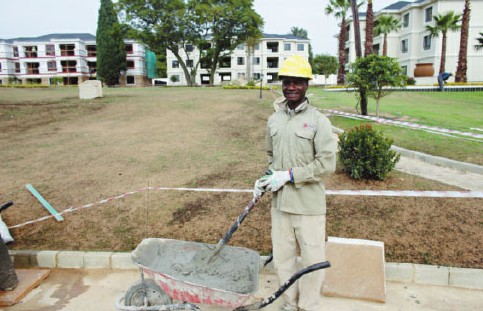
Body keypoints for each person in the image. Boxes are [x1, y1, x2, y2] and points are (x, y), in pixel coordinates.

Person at [254, 55, 337, 311]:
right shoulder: (274, 120)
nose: (291, 86)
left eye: (297, 82)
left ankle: (308, 306)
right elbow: (272, 157)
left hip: (308, 206)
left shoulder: (318, 121)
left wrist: (289, 176)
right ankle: (289, 303)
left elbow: (326, 164)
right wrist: (265, 178)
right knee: (283, 260)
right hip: (280, 206)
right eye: (287, 81)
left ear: (306, 85)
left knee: (312, 262)